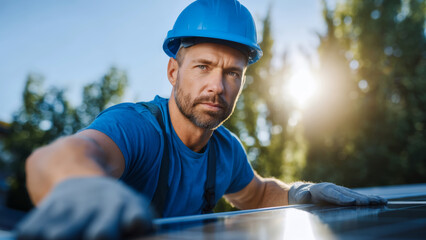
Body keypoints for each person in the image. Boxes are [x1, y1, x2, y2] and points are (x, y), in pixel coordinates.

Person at [16, 0, 387, 239]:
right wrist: (80, 187)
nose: (217, 86)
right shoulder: (135, 127)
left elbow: (257, 193)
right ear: (173, 71)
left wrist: (302, 193)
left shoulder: (225, 150)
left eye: (232, 73)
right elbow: (58, 159)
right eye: (203, 67)